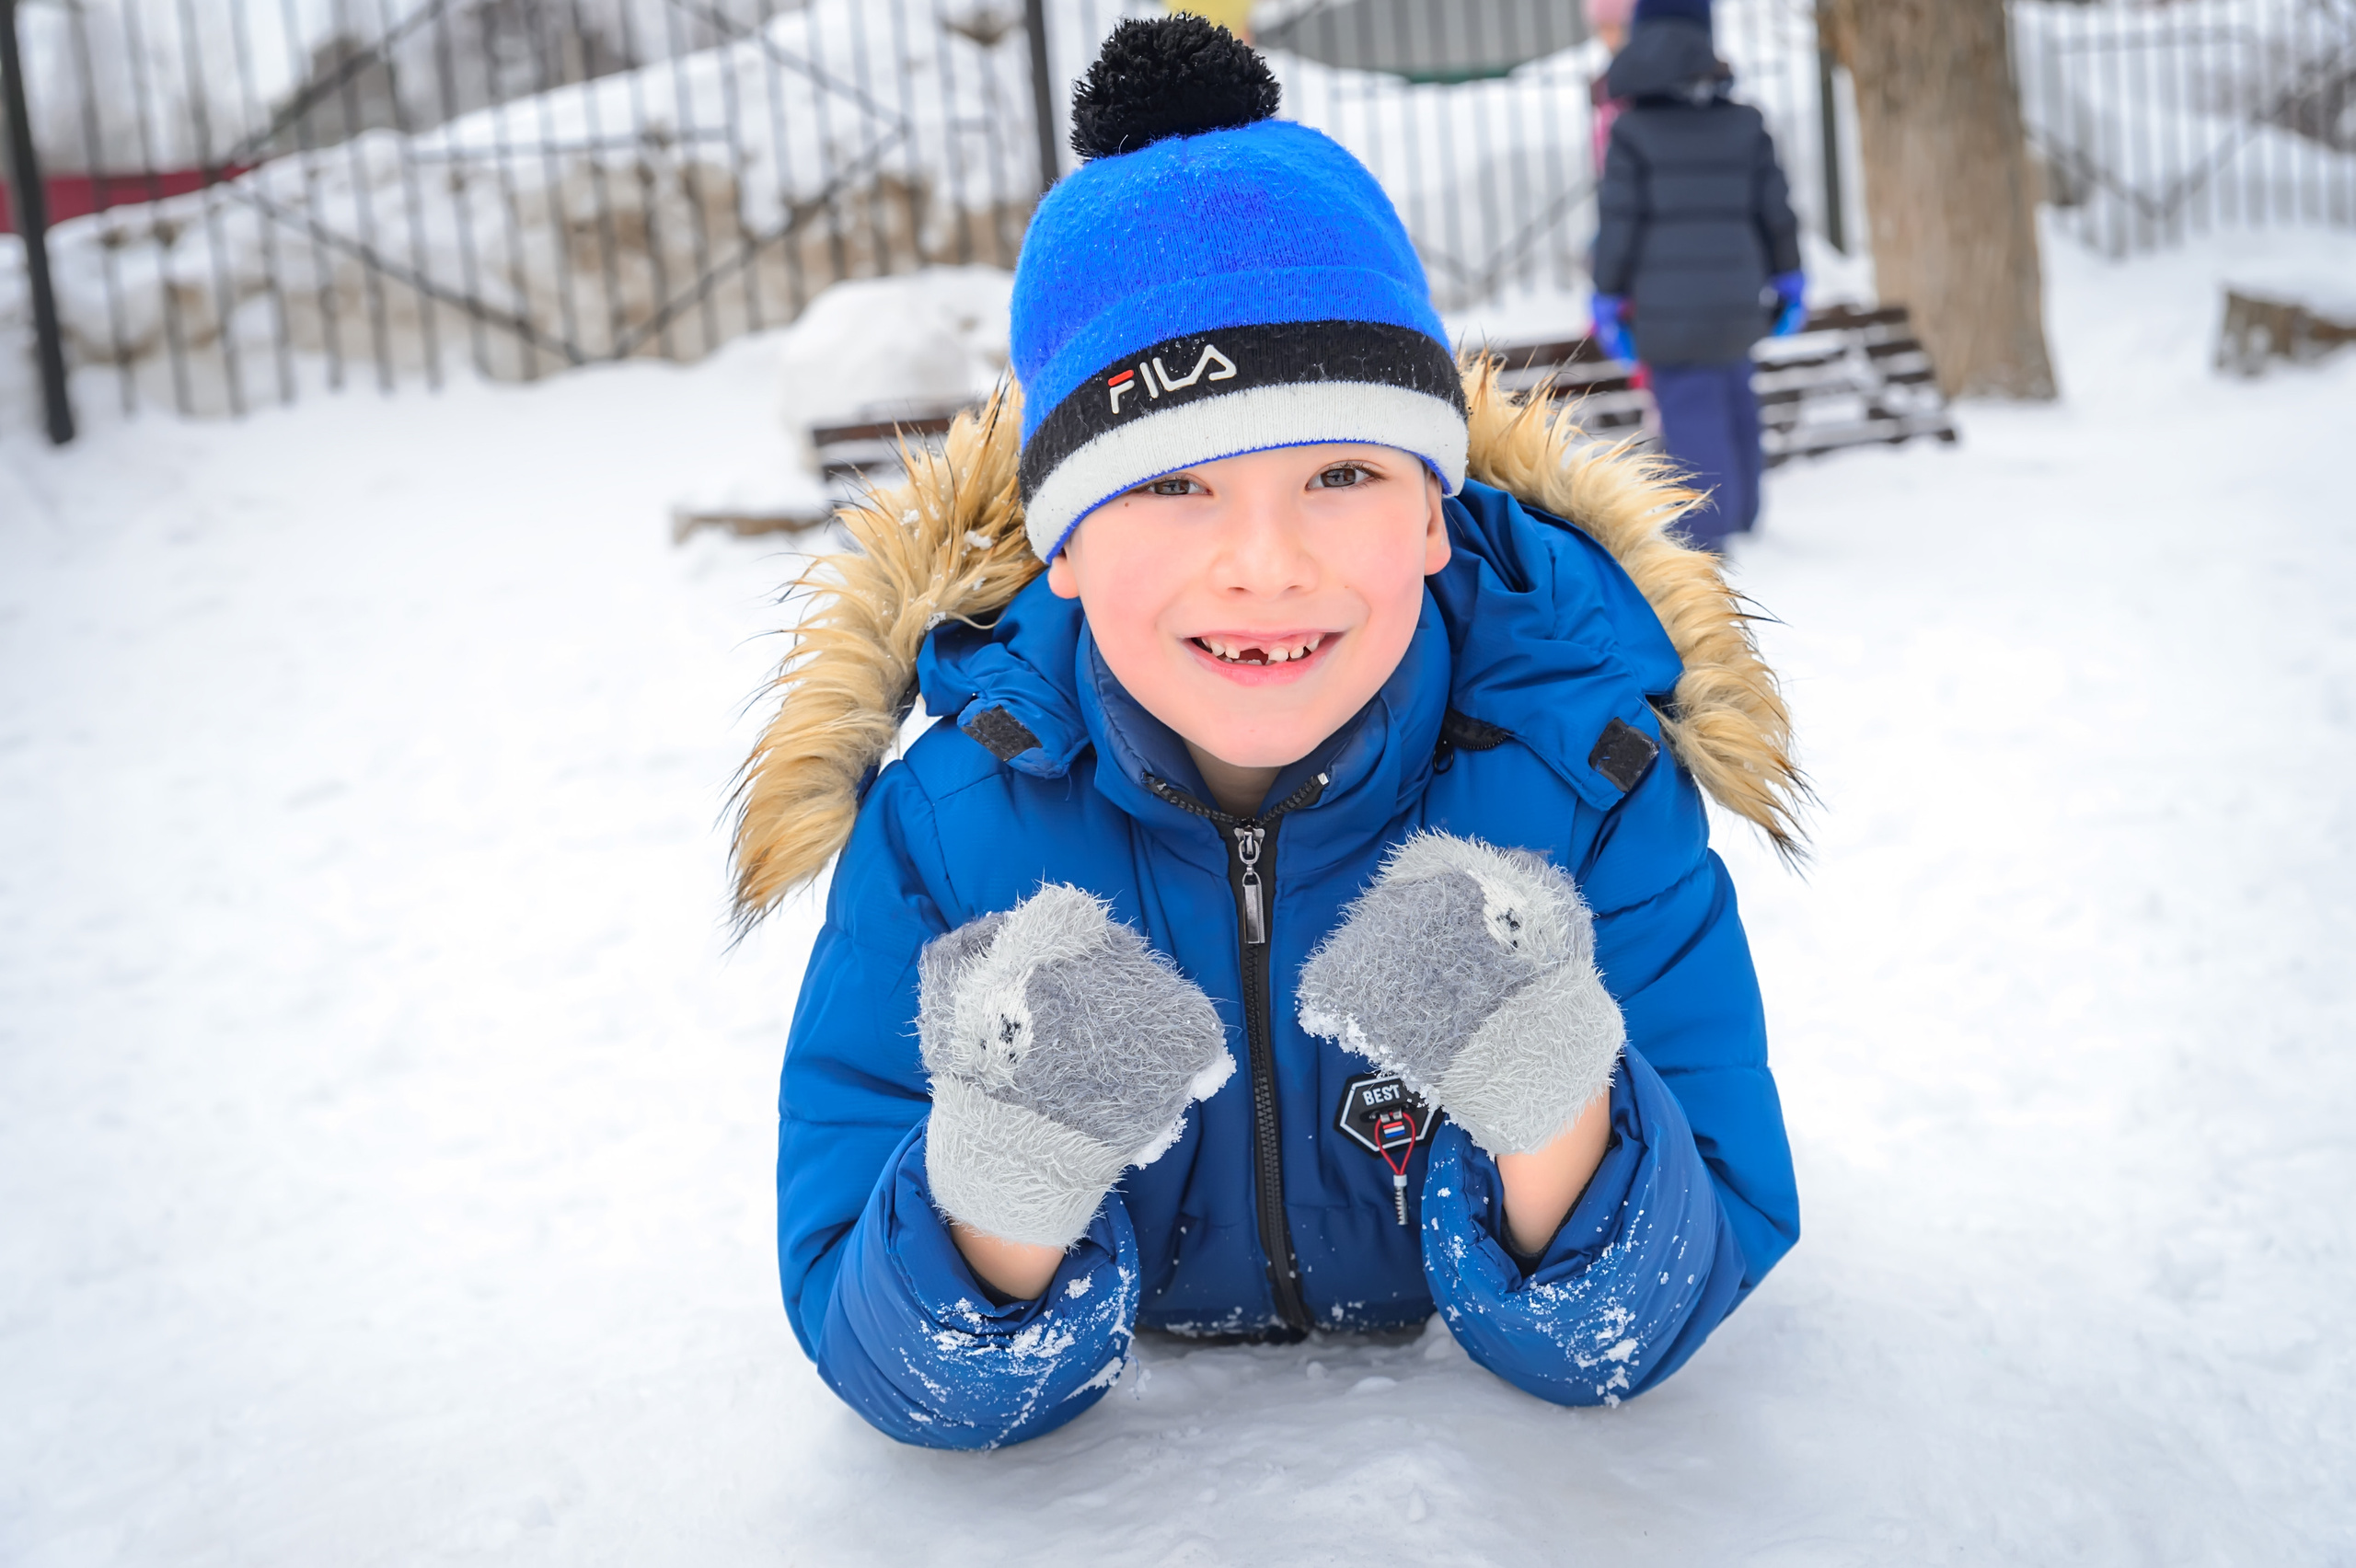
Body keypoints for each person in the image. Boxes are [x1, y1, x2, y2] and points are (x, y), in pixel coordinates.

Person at [731, 17, 1804, 1450]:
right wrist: (1009, 1172)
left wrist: (1545, 1090)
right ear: (1058, 547)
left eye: (1342, 473)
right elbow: (888, 1357)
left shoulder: (1580, 777)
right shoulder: (952, 826)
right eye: (1171, 488)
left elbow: (1659, 1306)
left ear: (1433, 513)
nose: (1266, 564)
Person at [1589, 0, 1805, 552]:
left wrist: (1607, 294)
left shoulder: (1632, 132)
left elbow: (1619, 224)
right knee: (1734, 392)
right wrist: (1789, 278)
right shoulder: (1745, 122)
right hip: (1738, 298)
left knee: (1689, 407)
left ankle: (1704, 532)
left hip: (1667, 307)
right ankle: (1746, 510)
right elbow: (1776, 212)